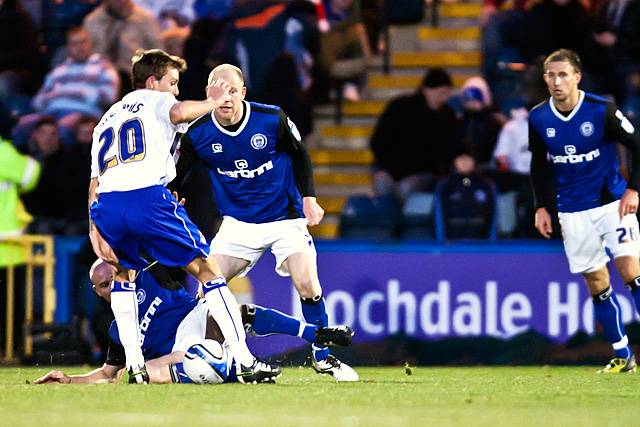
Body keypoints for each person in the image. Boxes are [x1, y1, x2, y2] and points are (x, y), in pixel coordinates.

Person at [89, 49, 277, 384]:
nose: (175, 90)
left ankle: (135, 367)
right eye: (172, 82)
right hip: (146, 196)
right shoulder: (153, 99)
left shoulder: (107, 118)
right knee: (207, 269)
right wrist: (213, 102)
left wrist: (94, 225)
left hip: (108, 205)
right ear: (151, 82)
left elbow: (95, 182)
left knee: (122, 275)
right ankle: (245, 359)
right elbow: (178, 111)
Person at [172, 63, 359, 382]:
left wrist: (309, 197)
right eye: (219, 90)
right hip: (237, 224)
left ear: (243, 93)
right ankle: (221, 359)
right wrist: (172, 195)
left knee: (308, 285)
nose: (226, 97)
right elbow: (177, 172)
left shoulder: (271, 119)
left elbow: (300, 155)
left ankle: (322, 357)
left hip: (284, 219)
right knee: (209, 293)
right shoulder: (198, 133)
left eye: (233, 90)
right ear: (208, 94)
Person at [33, 259, 354, 384]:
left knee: (235, 310)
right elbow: (107, 374)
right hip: (179, 353)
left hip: (195, 318)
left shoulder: (150, 275)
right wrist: (69, 380)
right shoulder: (118, 329)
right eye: (104, 285)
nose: (113, 285)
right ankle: (238, 374)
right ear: (97, 291)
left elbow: (173, 252)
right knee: (143, 371)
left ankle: (317, 333)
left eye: (114, 277)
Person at [529, 48, 640, 373]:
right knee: (597, 282)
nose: (556, 81)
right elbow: (539, 163)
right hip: (572, 209)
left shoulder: (601, 109)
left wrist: (633, 189)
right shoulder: (539, 117)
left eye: (563, 74)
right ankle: (623, 355)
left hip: (612, 203)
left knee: (632, 273)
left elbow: (637, 145)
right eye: (550, 75)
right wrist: (541, 206)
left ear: (577, 76)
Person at [369, 67, 459, 201]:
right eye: (441, 93)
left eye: (447, 93)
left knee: (406, 188)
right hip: (389, 168)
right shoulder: (399, 107)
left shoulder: (448, 116)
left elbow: (446, 152)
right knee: (383, 185)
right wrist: (384, 169)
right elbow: (379, 140)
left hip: (423, 173)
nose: (444, 98)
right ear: (426, 90)